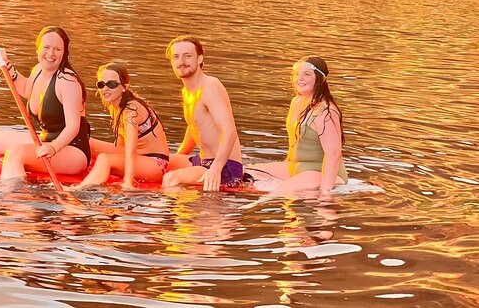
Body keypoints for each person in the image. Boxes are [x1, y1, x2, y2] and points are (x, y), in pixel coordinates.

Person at [0, 26, 91, 180]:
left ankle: (14, 198)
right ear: (38, 48)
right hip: (45, 140)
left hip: (72, 150)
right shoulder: (39, 70)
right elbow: (27, 89)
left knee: (16, 154)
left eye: (57, 49)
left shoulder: (67, 81)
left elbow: (73, 126)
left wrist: (53, 147)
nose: (51, 54)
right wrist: (5, 64)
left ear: (64, 53)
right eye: (46, 47)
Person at [244, 56, 348, 194]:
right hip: (295, 166)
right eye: (296, 74)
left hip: (320, 172)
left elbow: (334, 154)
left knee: (280, 190)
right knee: (245, 172)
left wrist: (326, 193)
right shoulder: (297, 102)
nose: (300, 78)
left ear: (320, 79)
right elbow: (294, 143)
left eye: (307, 74)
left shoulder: (325, 112)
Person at [161, 36, 243, 191]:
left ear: (199, 59)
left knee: (171, 178)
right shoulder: (187, 91)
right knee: (160, 161)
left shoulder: (209, 87)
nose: (181, 61)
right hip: (203, 161)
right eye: (176, 57)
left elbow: (229, 129)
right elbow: (195, 125)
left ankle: (175, 214)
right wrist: (179, 156)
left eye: (188, 56)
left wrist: (216, 169)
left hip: (225, 167)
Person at [73, 62, 169, 189]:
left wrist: (128, 180)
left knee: (104, 159)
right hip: (139, 156)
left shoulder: (131, 110)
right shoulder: (116, 105)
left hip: (155, 164)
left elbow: (130, 149)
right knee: (84, 141)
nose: (105, 89)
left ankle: (80, 189)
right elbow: (120, 145)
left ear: (125, 87)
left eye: (112, 84)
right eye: (101, 84)